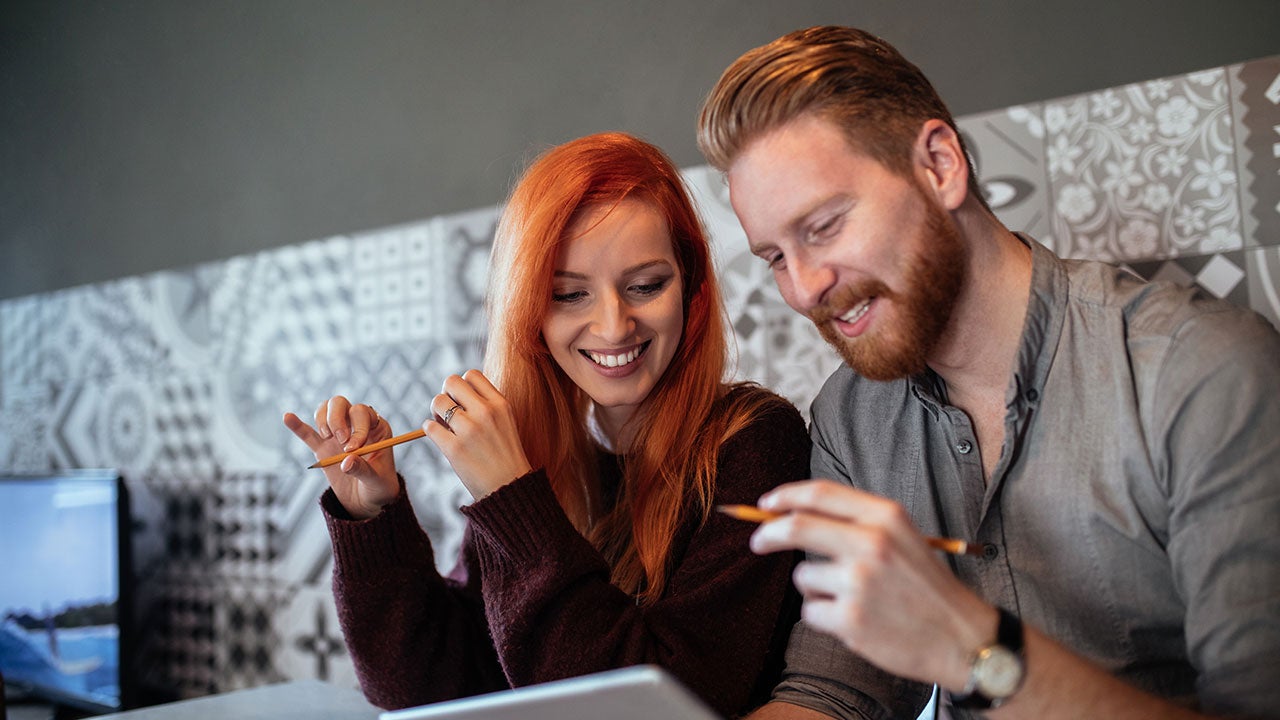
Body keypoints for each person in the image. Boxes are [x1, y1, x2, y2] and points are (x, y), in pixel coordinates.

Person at [695, 25, 1280, 720]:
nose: (803, 289)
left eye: (823, 227)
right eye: (775, 258)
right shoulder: (850, 422)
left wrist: (975, 647)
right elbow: (837, 690)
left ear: (940, 166)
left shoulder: (1201, 373)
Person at [282, 132, 809, 718]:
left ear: (693, 289)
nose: (613, 327)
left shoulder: (756, 443)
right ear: (529, 311)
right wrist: (372, 517)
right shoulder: (541, 453)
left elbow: (657, 707)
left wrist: (512, 498)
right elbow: (431, 687)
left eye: (645, 286)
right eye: (569, 295)